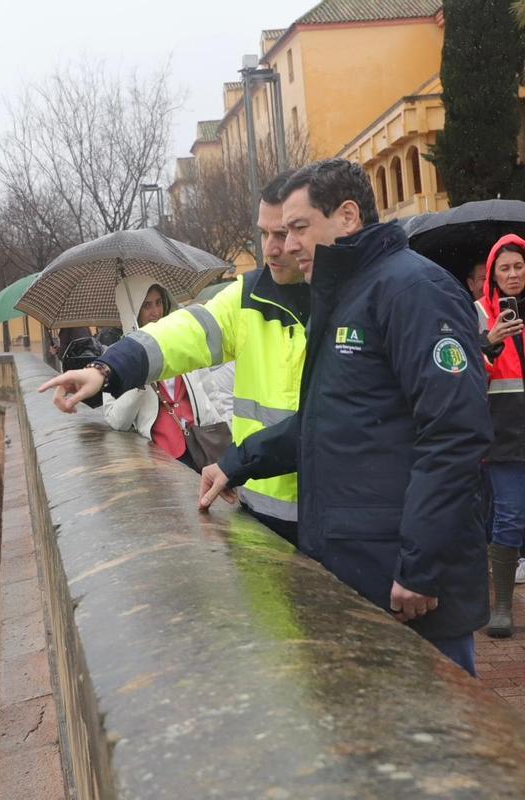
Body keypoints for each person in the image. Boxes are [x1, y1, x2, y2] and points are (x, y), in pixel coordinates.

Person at [199, 158, 492, 675]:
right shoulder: (345, 297)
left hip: (407, 585)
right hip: (359, 570)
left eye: (298, 228)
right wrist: (237, 462)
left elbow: (454, 434)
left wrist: (421, 566)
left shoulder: (412, 290)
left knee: (439, 743)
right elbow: (326, 423)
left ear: (348, 216)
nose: (286, 246)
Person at [37, 171, 308, 546]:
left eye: (287, 232)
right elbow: (183, 334)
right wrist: (107, 369)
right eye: (265, 234)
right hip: (259, 507)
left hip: (324, 513)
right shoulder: (246, 297)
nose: (272, 249)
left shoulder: (351, 299)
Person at [102, 282, 231, 470]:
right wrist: (138, 379)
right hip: (163, 458)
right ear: (133, 311)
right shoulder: (116, 358)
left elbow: (211, 392)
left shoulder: (184, 341)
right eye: (146, 305)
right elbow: (117, 421)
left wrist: (227, 430)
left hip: (204, 444)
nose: (155, 312)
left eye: (158, 302)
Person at [475, 235, 525, 635]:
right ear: (492, 274)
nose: (512, 274)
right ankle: (503, 608)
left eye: (519, 266)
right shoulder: (478, 314)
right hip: (504, 437)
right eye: (504, 268)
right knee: (509, 517)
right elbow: (460, 372)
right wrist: (487, 344)